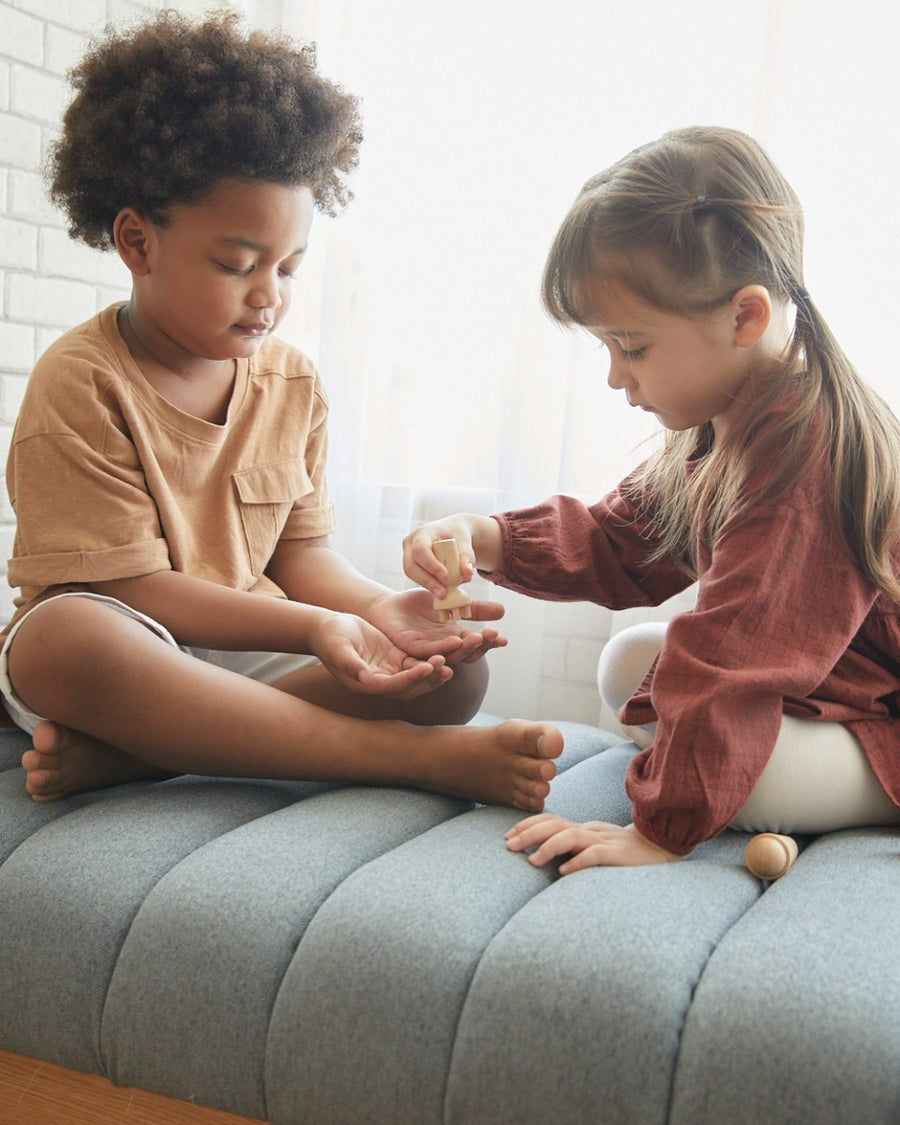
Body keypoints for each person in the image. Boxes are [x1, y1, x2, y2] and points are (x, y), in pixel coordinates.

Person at [1, 11, 562, 811]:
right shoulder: (84, 382)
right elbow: (134, 591)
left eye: (290, 268)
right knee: (66, 640)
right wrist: (307, 629)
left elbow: (301, 560)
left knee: (453, 669)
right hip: (132, 645)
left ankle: (141, 758)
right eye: (237, 264)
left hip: (247, 651)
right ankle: (403, 758)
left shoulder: (293, 384)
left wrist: (376, 608)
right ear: (137, 242)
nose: (269, 296)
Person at [403, 126, 900, 870]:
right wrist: (487, 534)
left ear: (745, 316)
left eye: (631, 348)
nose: (615, 377)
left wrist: (657, 831)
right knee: (630, 659)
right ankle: (731, 763)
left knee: (724, 734)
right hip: (832, 683)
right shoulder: (721, 417)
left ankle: (756, 781)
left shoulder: (807, 450)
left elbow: (734, 655)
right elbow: (619, 538)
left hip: (883, 712)